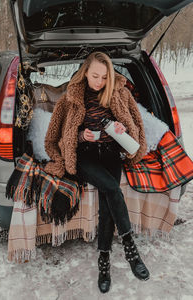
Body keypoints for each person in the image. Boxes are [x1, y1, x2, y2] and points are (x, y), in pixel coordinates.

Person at [44, 51, 150, 293]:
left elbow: (137, 126)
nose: (99, 82)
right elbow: (52, 138)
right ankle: (130, 246)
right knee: (112, 188)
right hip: (85, 156)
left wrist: (122, 129)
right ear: (85, 72)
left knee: (107, 196)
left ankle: (104, 259)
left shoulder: (120, 94)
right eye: (95, 76)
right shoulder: (70, 98)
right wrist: (81, 136)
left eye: (104, 77)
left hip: (111, 152)